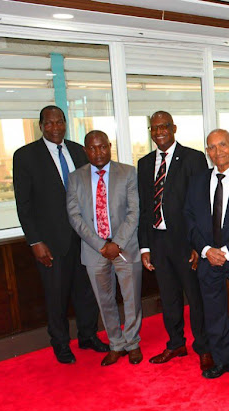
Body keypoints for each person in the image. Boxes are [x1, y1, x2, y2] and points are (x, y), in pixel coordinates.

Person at [13, 105, 106, 364]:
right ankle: (61, 343)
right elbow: (24, 204)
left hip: (84, 239)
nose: (56, 127)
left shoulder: (79, 151)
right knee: (56, 296)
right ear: (41, 125)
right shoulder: (25, 156)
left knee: (87, 292)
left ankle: (88, 336)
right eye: (50, 123)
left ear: (65, 123)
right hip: (51, 242)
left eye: (60, 122)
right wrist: (35, 241)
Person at [184, 129, 229, 384]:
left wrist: (226, 252)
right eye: (212, 147)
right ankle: (223, 360)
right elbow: (189, 219)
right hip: (207, 257)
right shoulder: (197, 182)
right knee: (213, 312)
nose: (218, 152)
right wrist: (205, 250)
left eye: (223, 145)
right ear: (207, 152)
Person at [137, 111, 210, 372]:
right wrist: (144, 247)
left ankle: (204, 346)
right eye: (154, 127)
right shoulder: (144, 163)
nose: (159, 131)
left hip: (185, 242)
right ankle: (176, 343)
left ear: (174, 128)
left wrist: (196, 245)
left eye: (164, 126)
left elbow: (201, 206)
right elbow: (145, 208)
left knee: (195, 297)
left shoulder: (193, 159)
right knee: (168, 298)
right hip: (158, 241)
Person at [66, 131, 143, 366]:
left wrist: (116, 243)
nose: (98, 152)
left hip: (125, 246)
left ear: (109, 147)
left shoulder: (127, 172)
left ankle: (132, 343)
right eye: (92, 148)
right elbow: (74, 215)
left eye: (102, 147)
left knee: (131, 298)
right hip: (94, 250)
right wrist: (101, 245)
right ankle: (116, 344)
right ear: (85, 151)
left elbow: (134, 211)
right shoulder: (75, 178)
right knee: (105, 300)